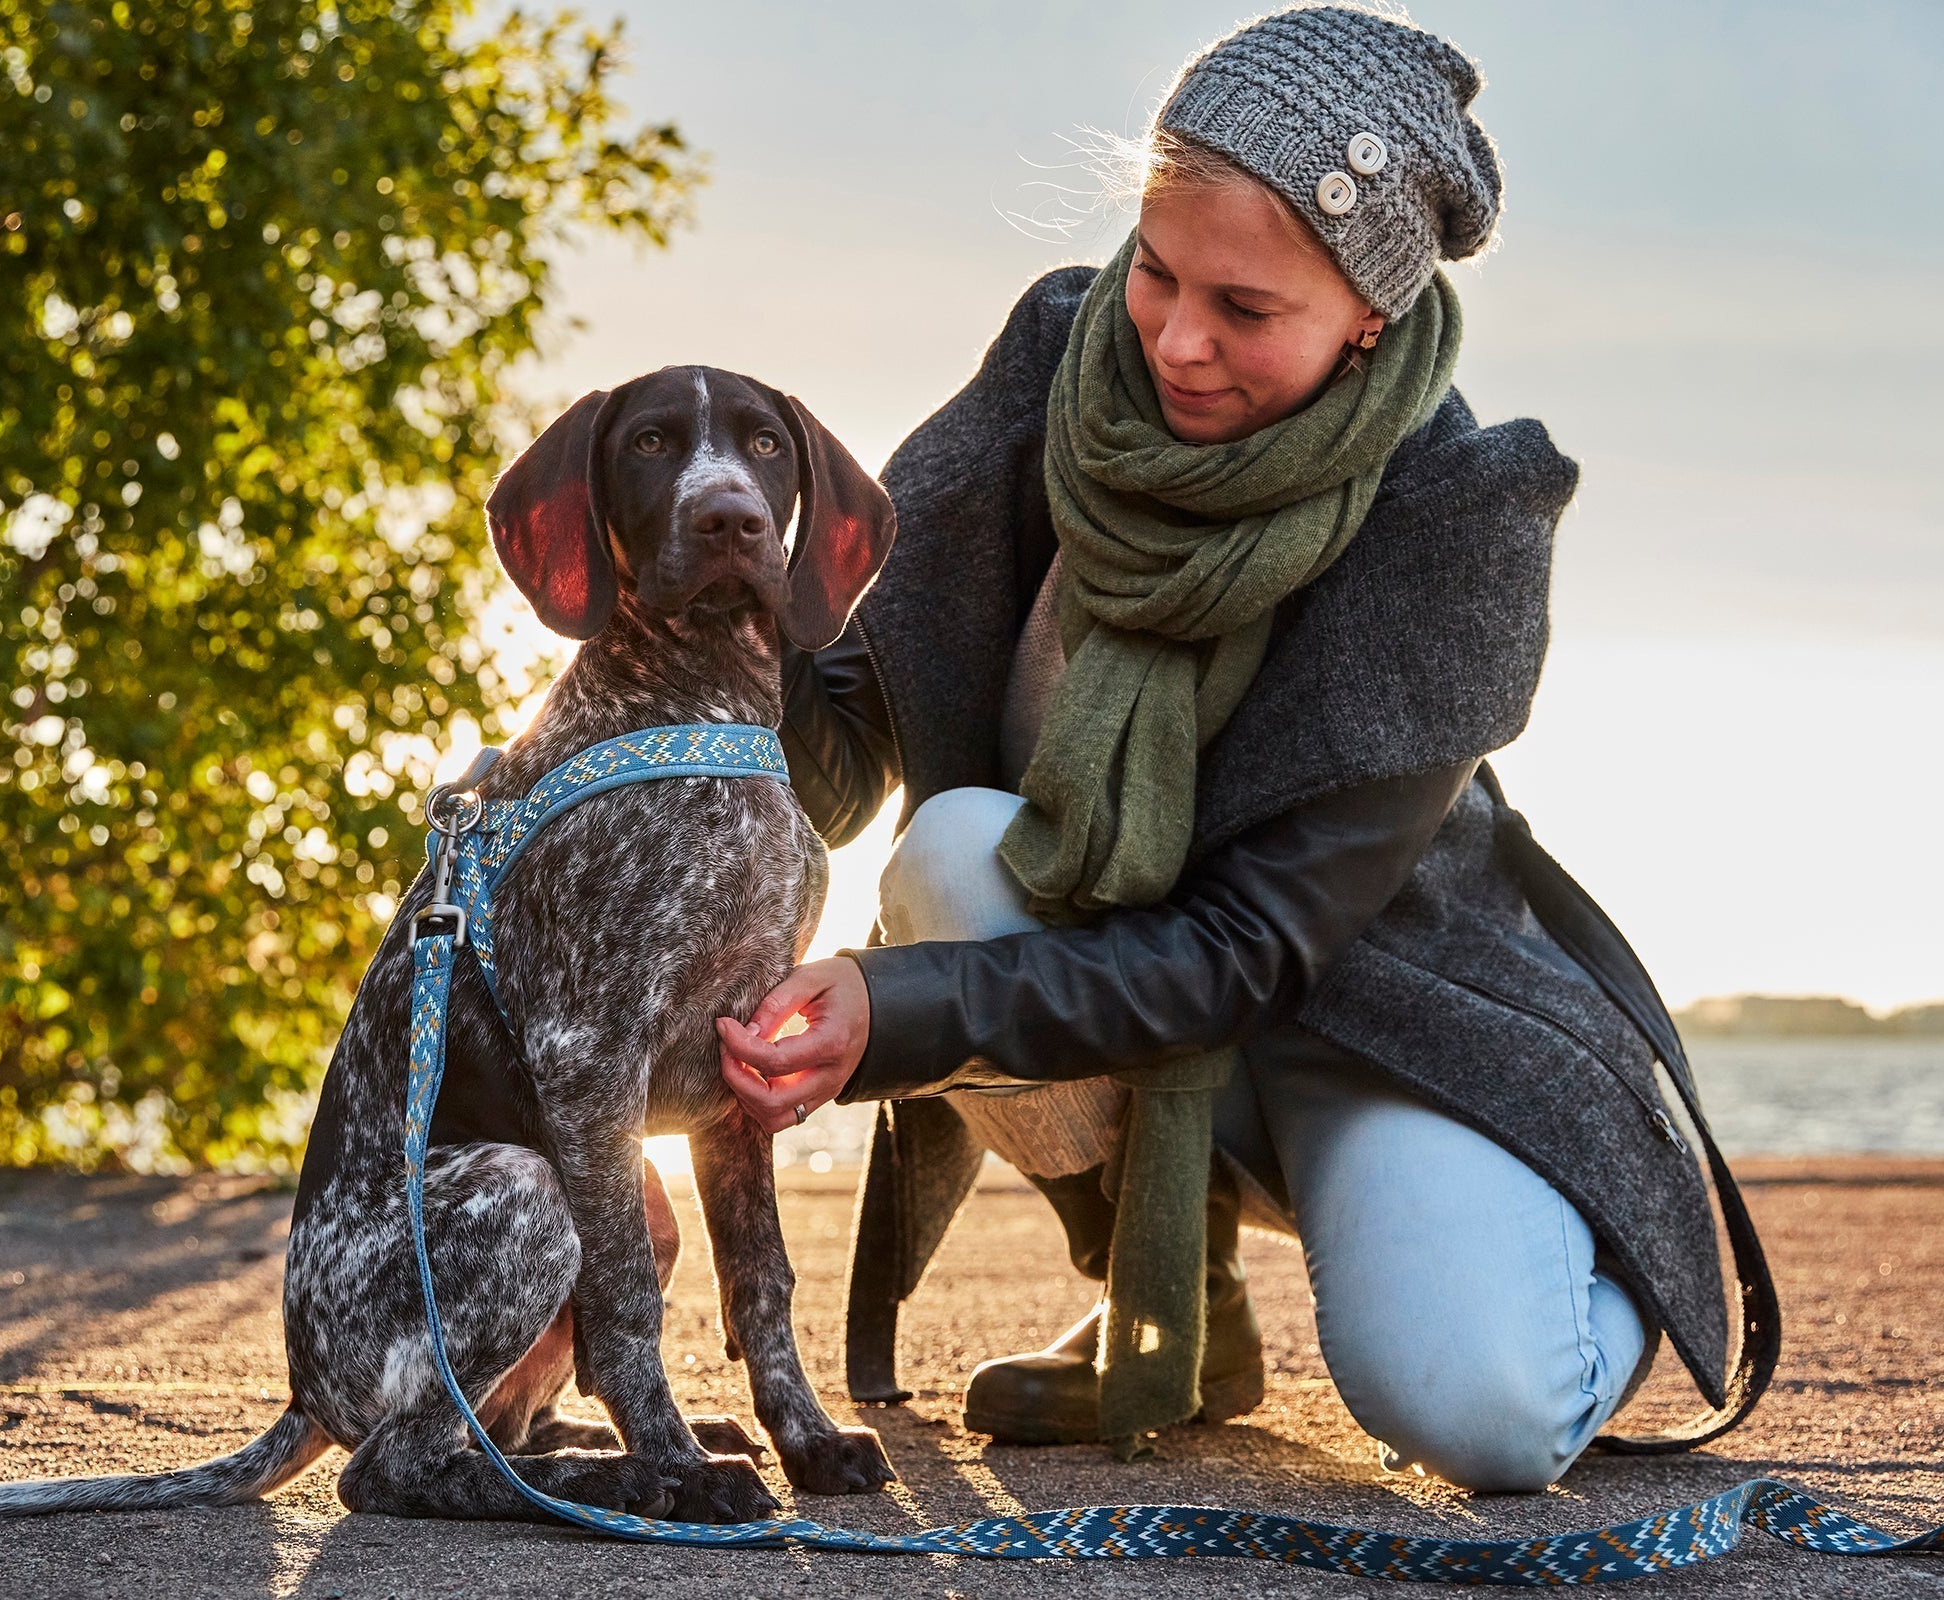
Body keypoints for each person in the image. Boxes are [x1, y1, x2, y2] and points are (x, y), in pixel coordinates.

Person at [718, 5, 1768, 1492]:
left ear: (1369, 315)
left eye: (1246, 308)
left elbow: (1249, 951)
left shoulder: (1458, 514)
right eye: (1157, 269)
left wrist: (890, 1012)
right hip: (1134, 1005)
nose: (1176, 342)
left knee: (1484, 1413)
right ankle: (1178, 1307)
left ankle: (1583, 1234)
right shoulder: (1059, 358)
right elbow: (841, 755)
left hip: (1383, 1025)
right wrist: (727, 609)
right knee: (954, 852)